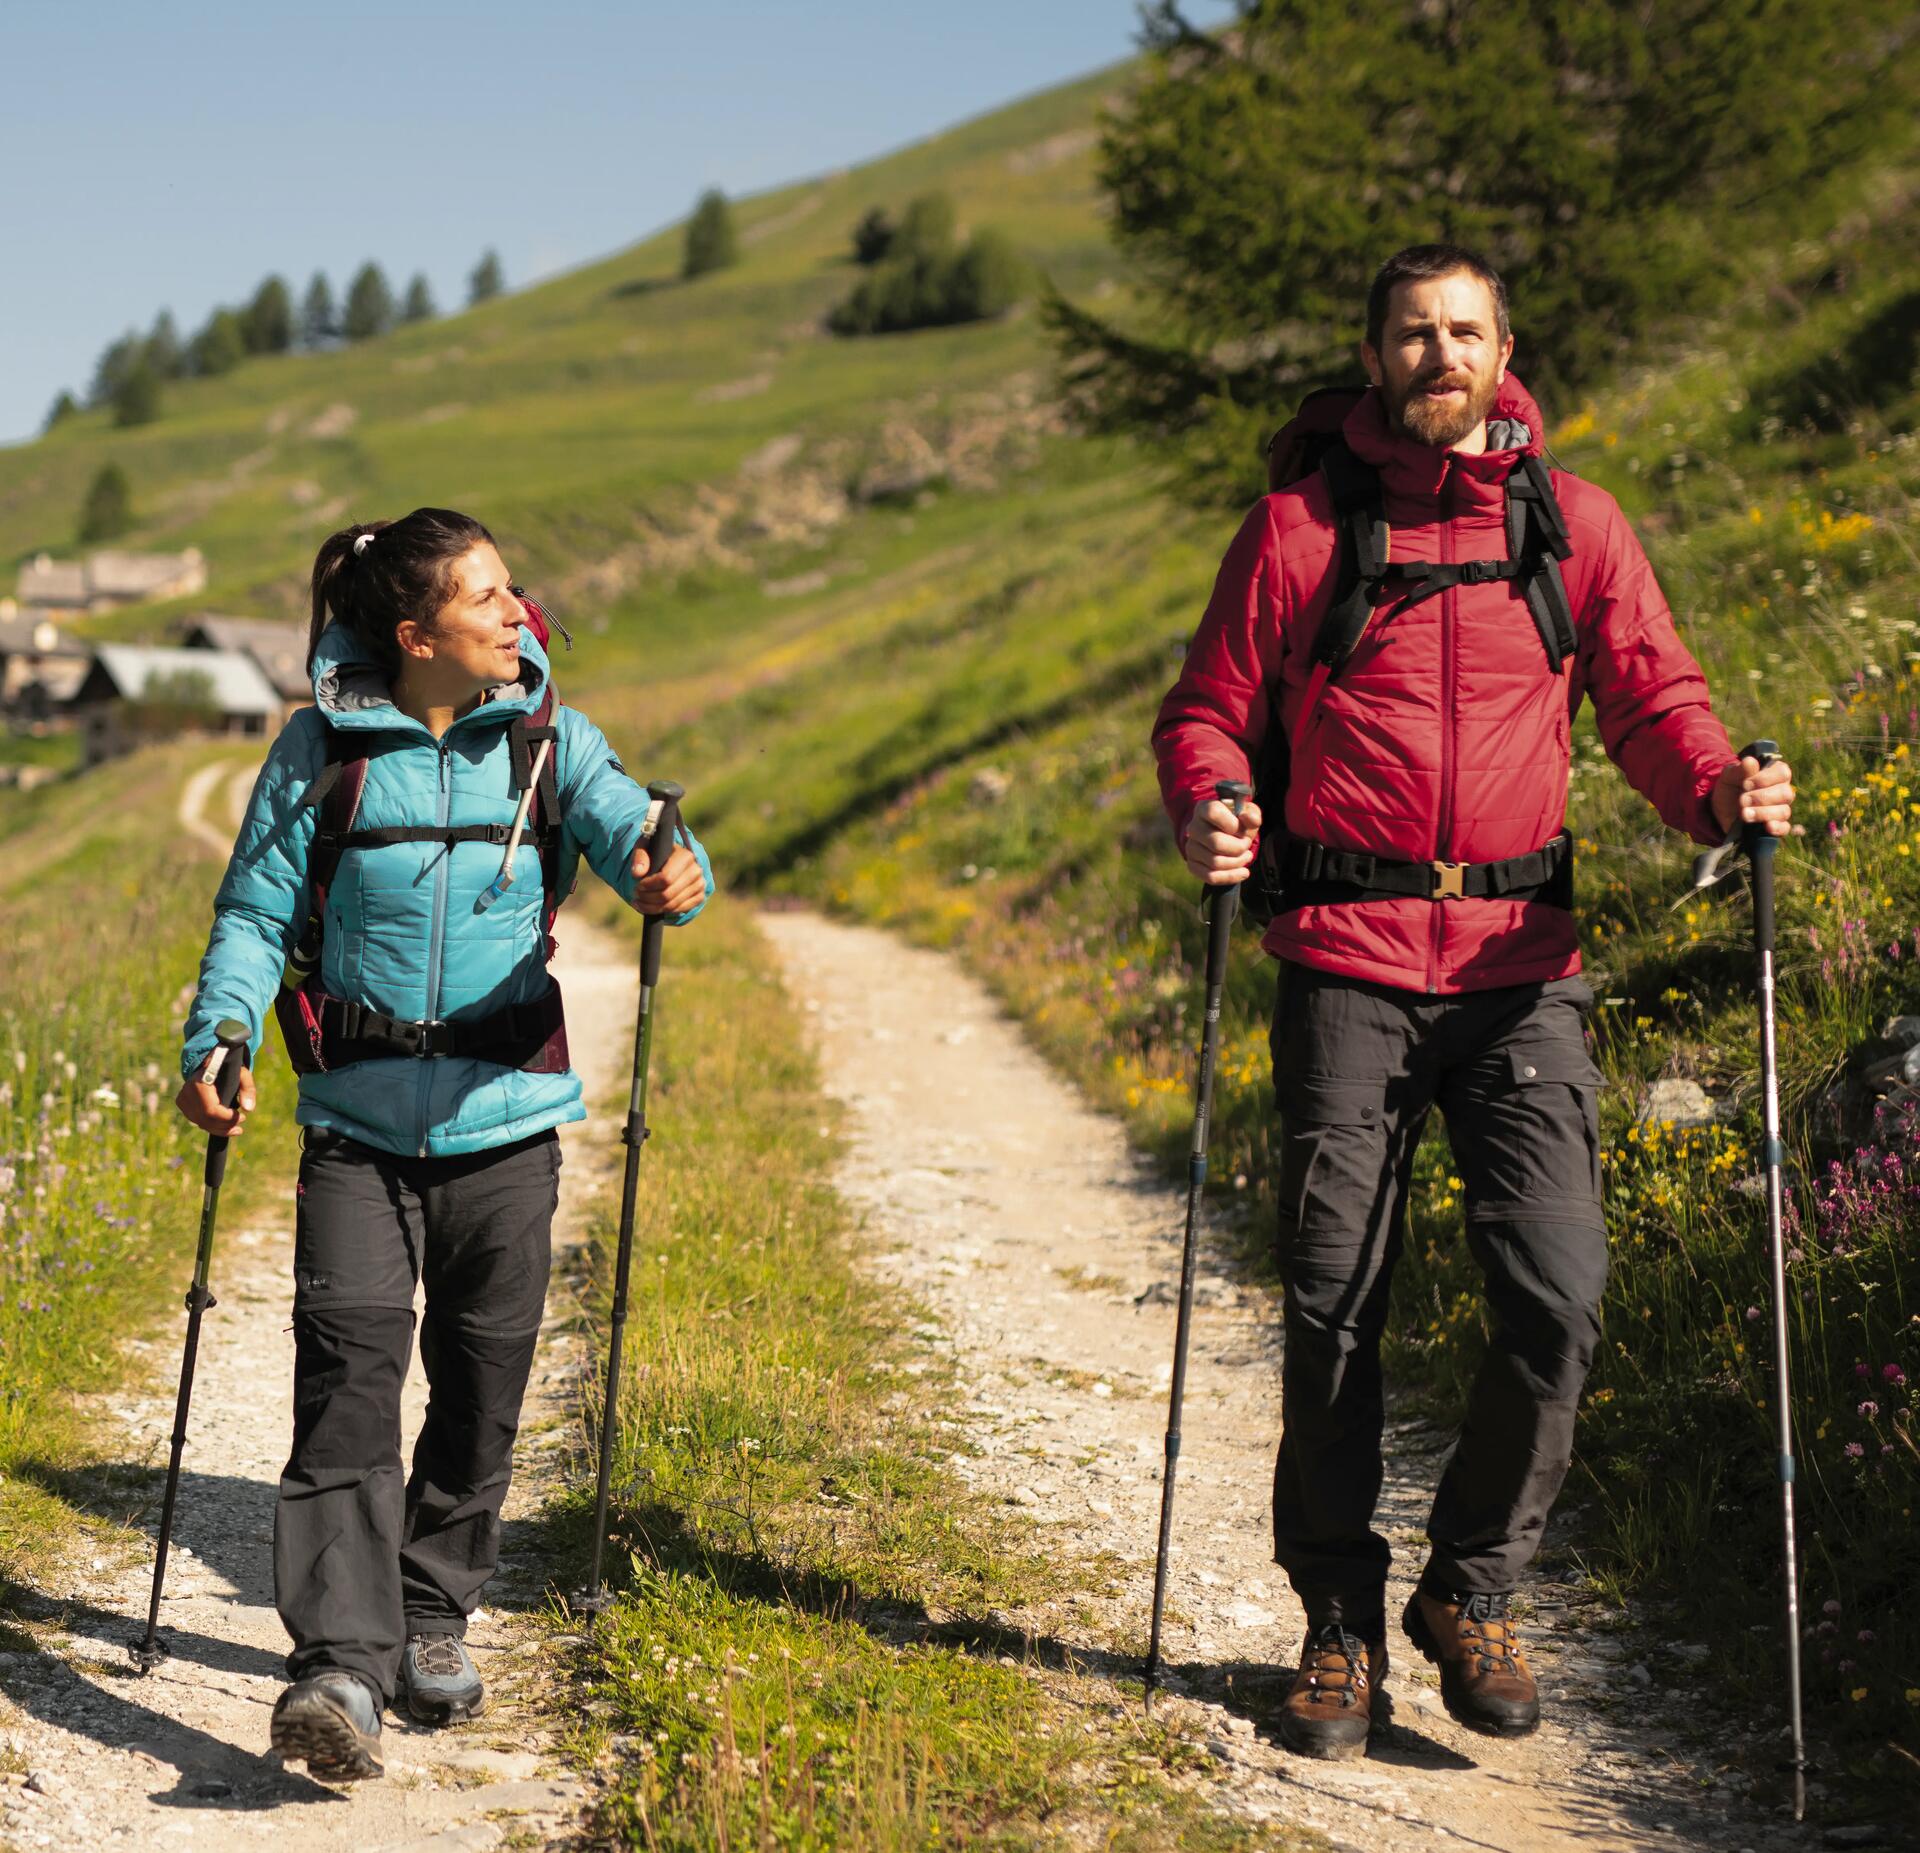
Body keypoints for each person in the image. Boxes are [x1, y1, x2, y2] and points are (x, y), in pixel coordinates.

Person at [1152, 245, 1793, 1759]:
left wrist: (1721, 793)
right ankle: (1336, 1625)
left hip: (1521, 972)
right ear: (1372, 358)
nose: (1439, 355)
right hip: (1346, 965)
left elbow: (1653, 699)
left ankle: (1471, 1586)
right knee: (1330, 1308)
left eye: (1464, 331)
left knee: (1559, 1299)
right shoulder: (1300, 531)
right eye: (1411, 334)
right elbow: (1209, 711)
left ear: (1506, 352)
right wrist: (1216, 802)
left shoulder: (1575, 529)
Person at [175, 508, 711, 1782]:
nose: (518, 611)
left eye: (513, 586)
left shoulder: (549, 741)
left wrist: (670, 866)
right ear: (417, 636)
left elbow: (646, 836)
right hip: (356, 1129)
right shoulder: (319, 751)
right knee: (348, 1378)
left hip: (506, 1123)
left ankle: (431, 1612)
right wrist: (221, 1032)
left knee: (481, 1386)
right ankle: (341, 1667)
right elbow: (254, 910)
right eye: (487, 596)